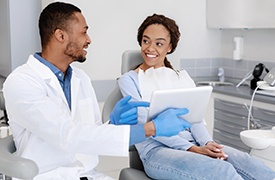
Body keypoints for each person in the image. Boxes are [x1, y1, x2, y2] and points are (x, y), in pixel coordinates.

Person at [2, 3, 191, 180]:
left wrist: (112, 124)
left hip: (89, 174)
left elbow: (89, 133)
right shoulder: (22, 82)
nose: (88, 40)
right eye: (84, 33)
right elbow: (68, 135)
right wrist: (151, 129)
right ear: (61, 36)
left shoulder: (80, 78)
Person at [118, 13, 275, 180]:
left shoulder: (180, 77)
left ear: (169, 47)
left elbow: (195, 118)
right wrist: (193, 150)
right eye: (146, 41)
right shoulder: (129, 80)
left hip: (195, 144)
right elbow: (147, 125)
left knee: (252, 165)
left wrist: (208, 144)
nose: (150, 48)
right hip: (157, 151)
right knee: (221, 171)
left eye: (159, 43)